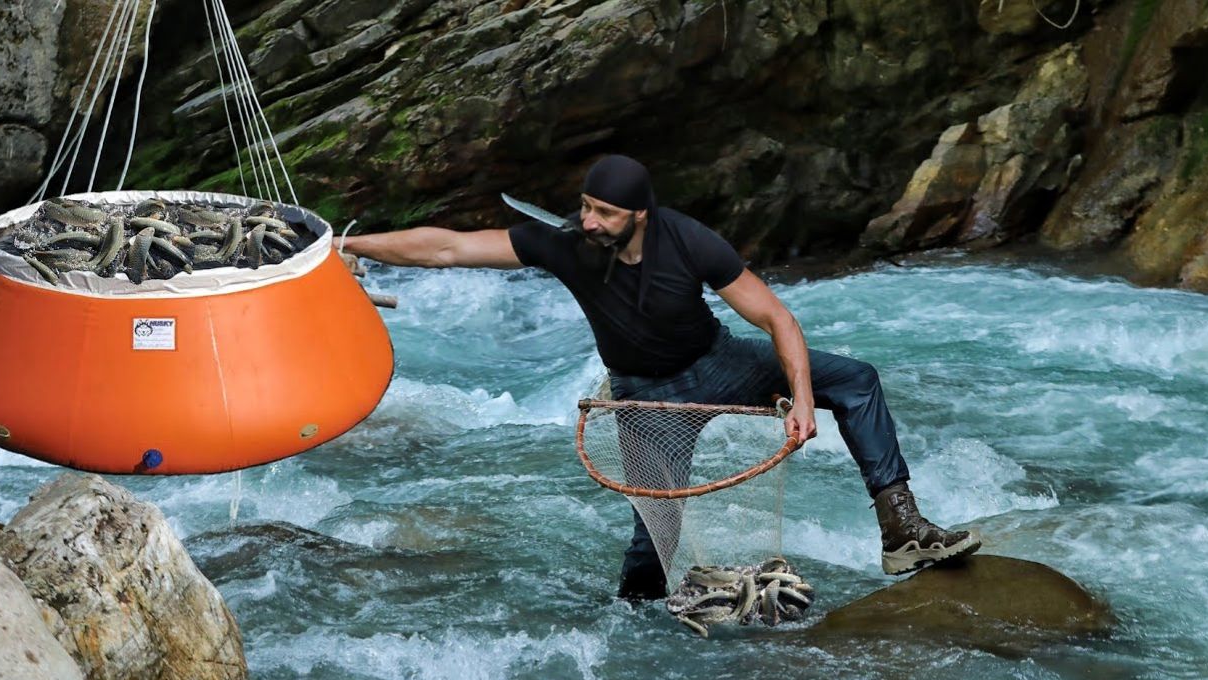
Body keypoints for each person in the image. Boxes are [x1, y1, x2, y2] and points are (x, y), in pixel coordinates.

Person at [343, 154, 981, 600]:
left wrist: (804, 401)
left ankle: (901, 529)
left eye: (604, 213)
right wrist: (349, 245)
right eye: (585, 206)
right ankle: (635, 620)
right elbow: (448, 246)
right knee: (657, 535)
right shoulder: (565, 243)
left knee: (858, 379)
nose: (589, 221)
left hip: (721, 365)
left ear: (640, 215)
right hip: (643, 400)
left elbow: (777, 319)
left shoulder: (691, 241)